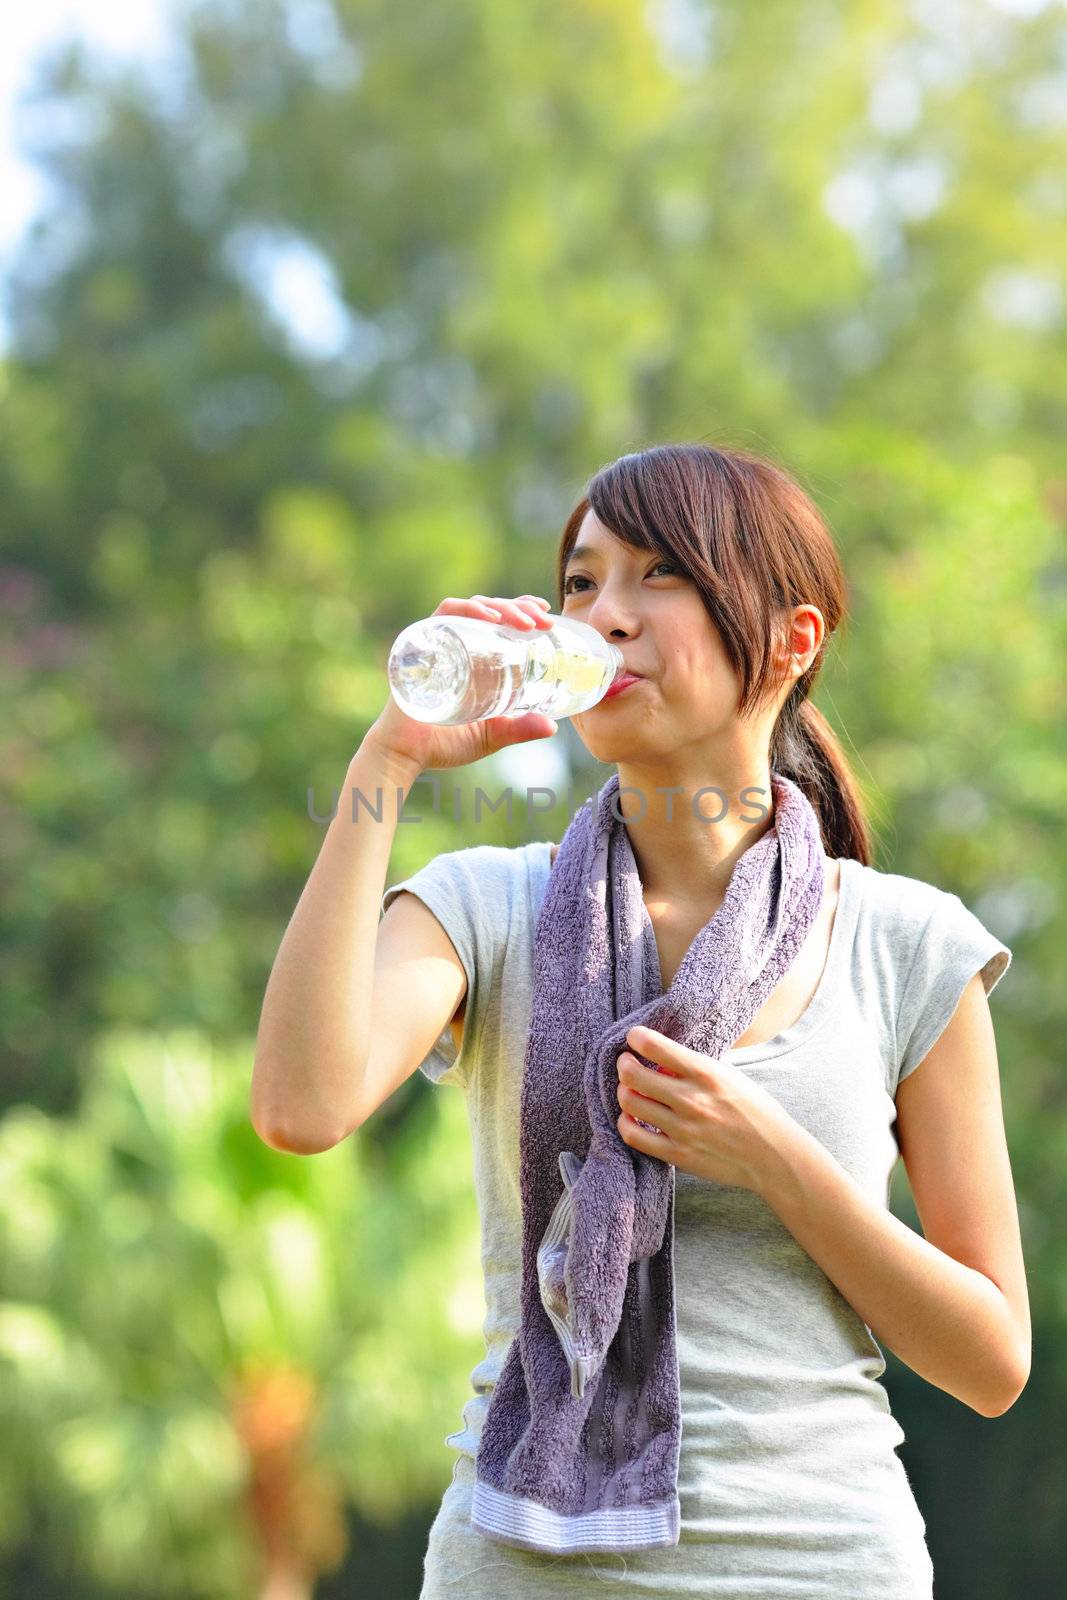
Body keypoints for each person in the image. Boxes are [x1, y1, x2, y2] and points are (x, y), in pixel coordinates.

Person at [251, 443, 1029, 1598]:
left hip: (815, 1558)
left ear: (789, 640)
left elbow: (989, 1360)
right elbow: (301, 1108)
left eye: (655, 574)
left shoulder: (906, 944)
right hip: (516, 1559)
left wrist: (771, 1157)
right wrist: (390, 758)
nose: (601, 617)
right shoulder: (485, 904)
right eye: (579, 582)